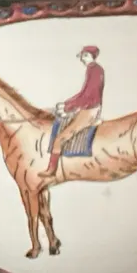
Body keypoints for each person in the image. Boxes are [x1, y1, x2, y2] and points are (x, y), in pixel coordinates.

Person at [41, 46, 104, 180]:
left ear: (92, 56)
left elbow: (88, 96)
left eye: (85, 56)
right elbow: (83, 94)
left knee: (59, 140)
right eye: (82, 56)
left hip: (90, 109)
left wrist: (68, 106)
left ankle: (51, 170)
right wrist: (67, 104)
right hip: (88, 107)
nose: (82, 59)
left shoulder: (94, 70)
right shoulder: (93, 69)